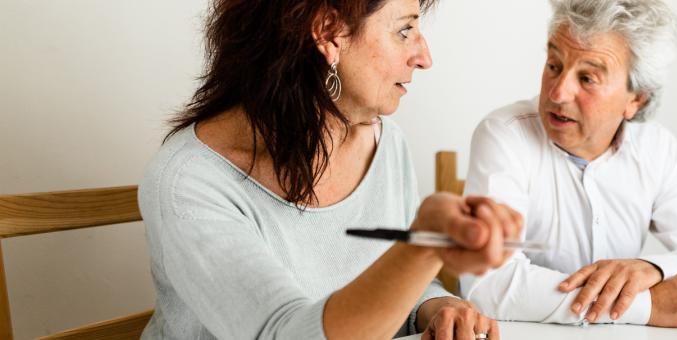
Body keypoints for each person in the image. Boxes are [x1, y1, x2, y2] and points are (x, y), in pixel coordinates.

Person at [137, 0, 521, 339]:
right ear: (329, 33)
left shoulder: (386, 143)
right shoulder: (187, 181)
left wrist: (436, 307)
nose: (424, 56)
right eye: (405, 29)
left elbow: (389, 280)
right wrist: (425, 246)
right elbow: (283, 334)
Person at [460, 0, 677, 328]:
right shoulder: (505, 135)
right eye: (554, 64)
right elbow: (487, 283)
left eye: (587, 78)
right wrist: (647, 304)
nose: (558, 92)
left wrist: (655, 270)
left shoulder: (657, 149)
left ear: (636, 99)